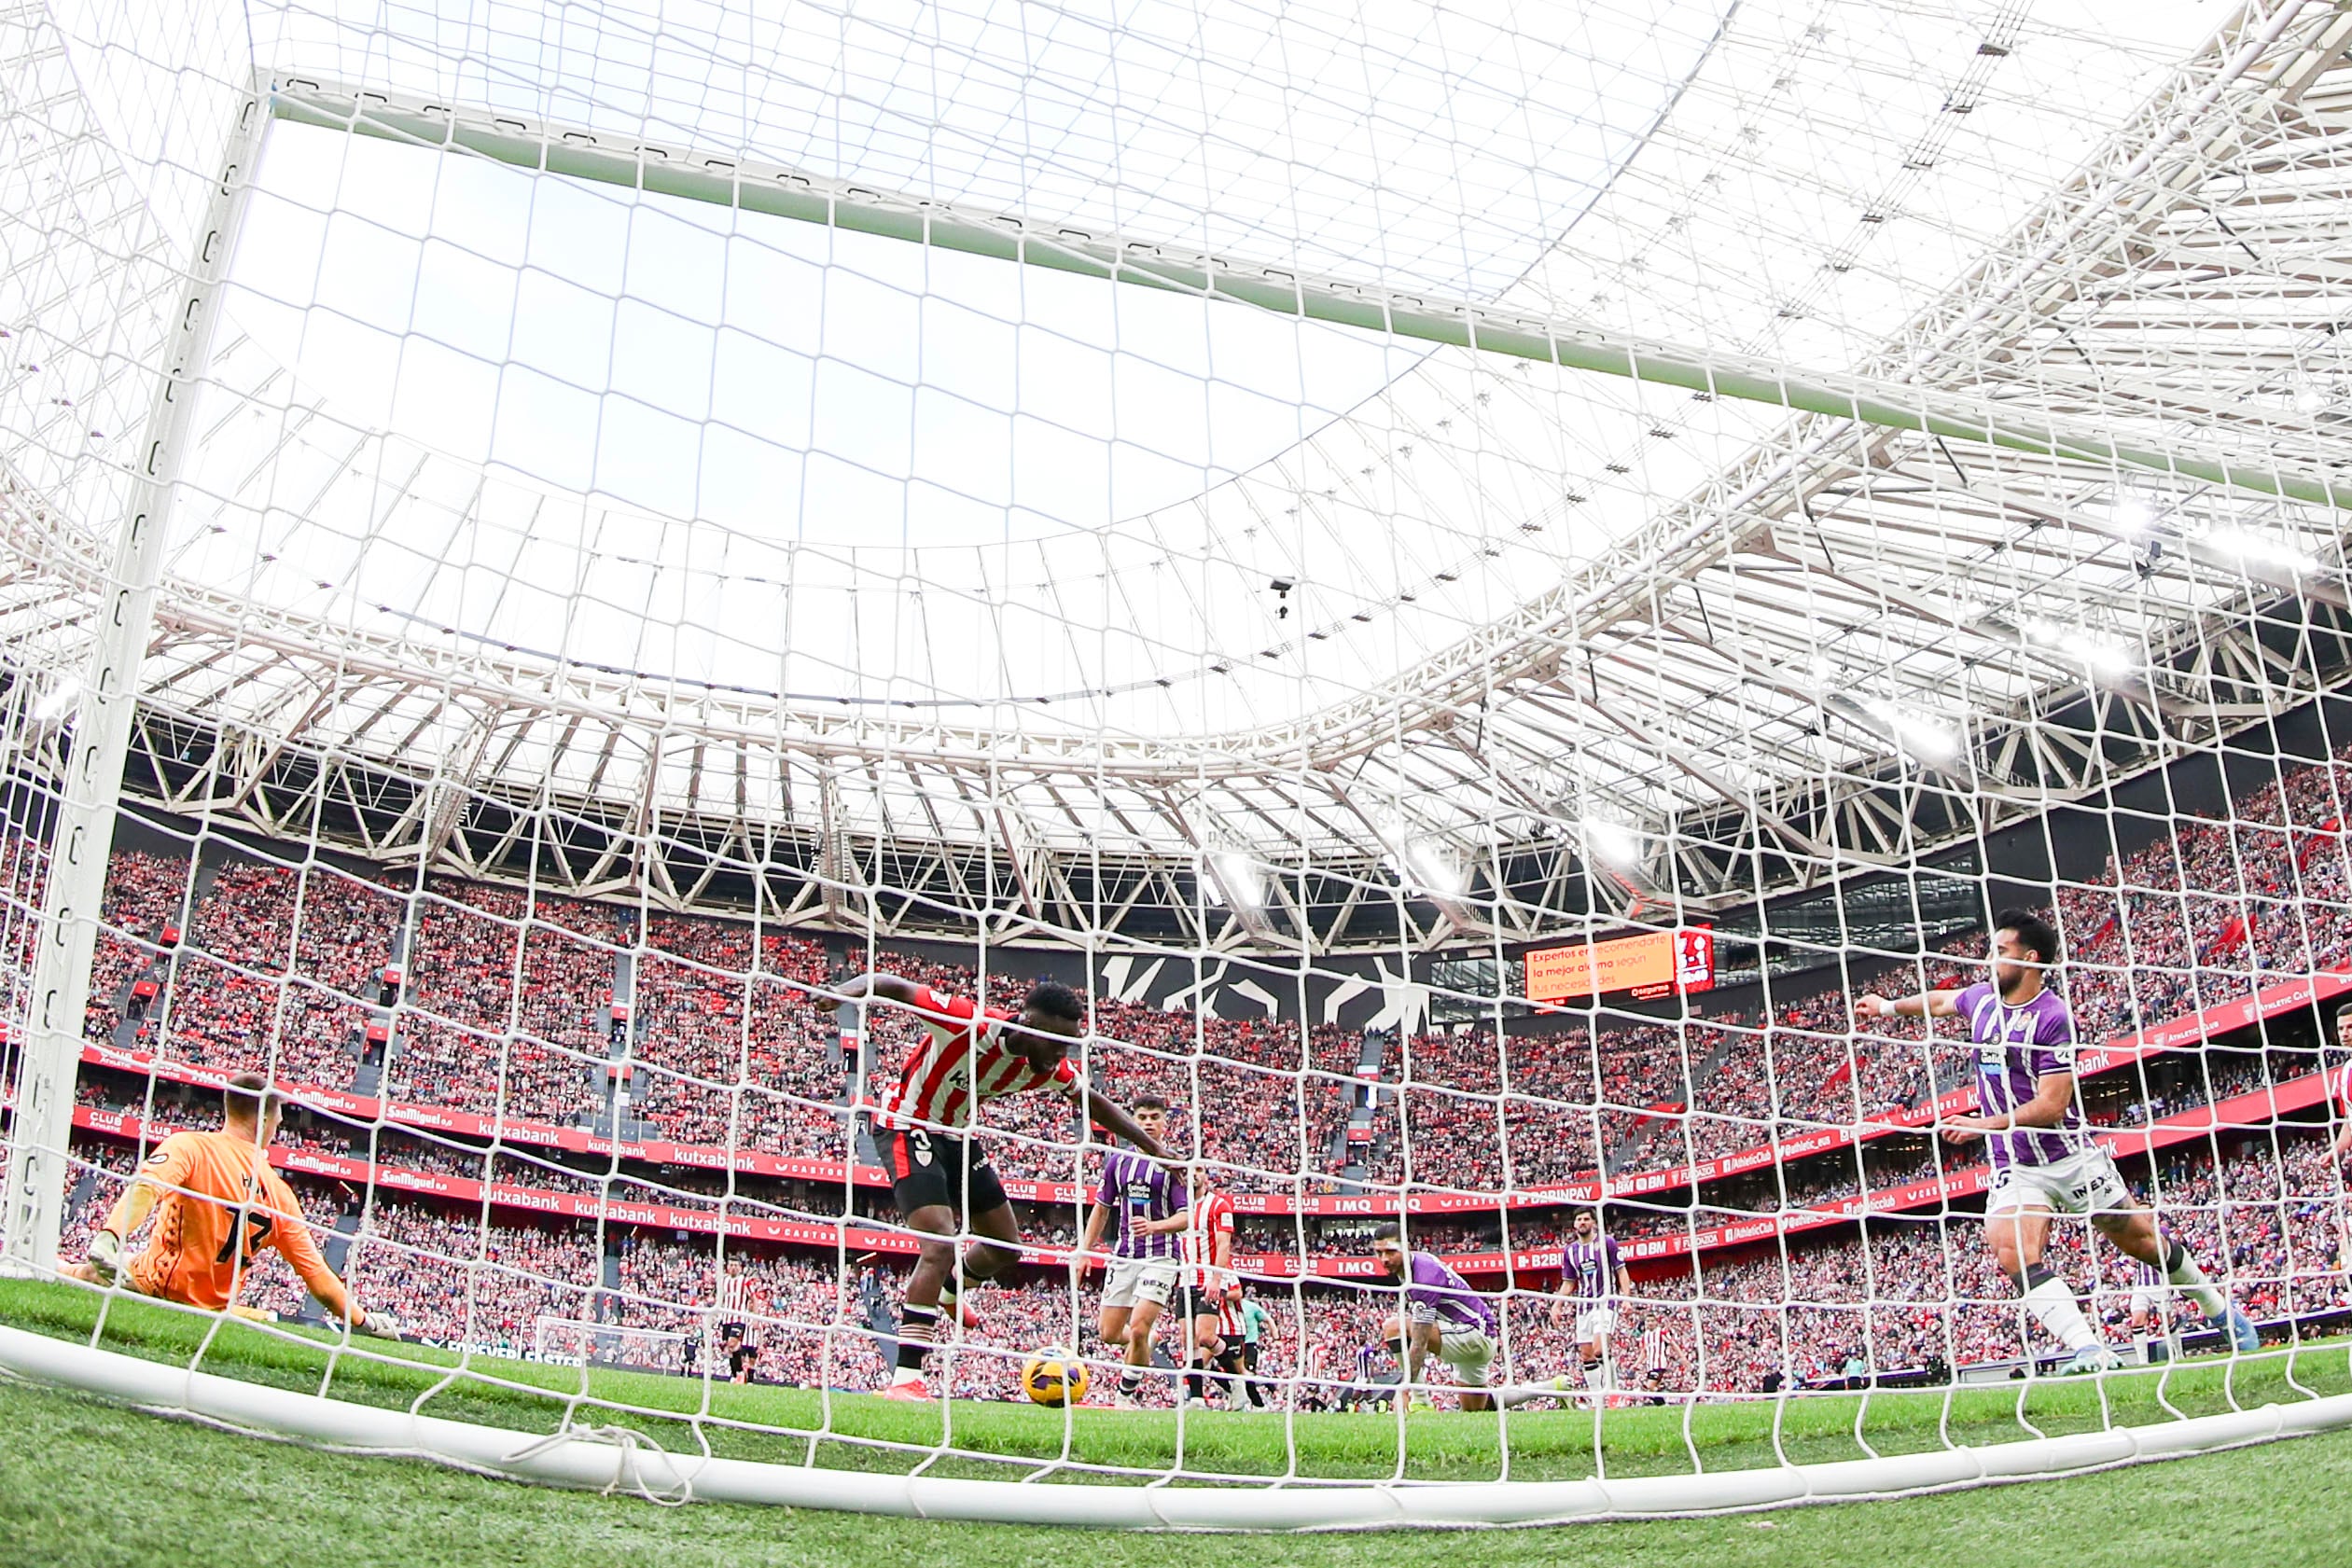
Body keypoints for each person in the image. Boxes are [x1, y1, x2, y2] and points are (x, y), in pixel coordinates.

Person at [1857, 908, 2260, 1375]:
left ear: (2029, 959)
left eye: (2001, 951)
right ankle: (2089, 1351)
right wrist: (1885, 1007)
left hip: (2069, 1158)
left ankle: (2220, 1313)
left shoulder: (2053, 1019)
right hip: (2016, 1164)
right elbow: (1939, 1001)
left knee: (2143, 1242)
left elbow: (2051, 1106)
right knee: (2011, 1249)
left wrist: (1983, 1125)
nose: (1991, 960)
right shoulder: (1982, 999)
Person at [841, 971, 1169, 1400]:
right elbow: (894, 986)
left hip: (955, 1134)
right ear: (1028, 1025)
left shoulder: (1051, 1068)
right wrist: (842, 992)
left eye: (1068, 1044)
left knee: (1005, 1246)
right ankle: (906, 1379)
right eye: (1055, 1042)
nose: (1059, 1055)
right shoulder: (967, 1023)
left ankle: (949, 1292)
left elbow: (1095, 1102)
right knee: (939, 1241)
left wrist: (1157, 1152)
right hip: (906, 1123)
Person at [63, 1072, 395, 1337]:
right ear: (264, 1120)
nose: (277, 1129)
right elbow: (317, 1277)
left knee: (87, 1273)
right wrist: (365, 1321)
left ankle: (37, 1262)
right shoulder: (279, 1194)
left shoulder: (191, 1146)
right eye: (278, 1122)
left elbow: (149, 1187)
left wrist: (110, 1236)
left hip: (157, 1289)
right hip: (212, 1313)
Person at [1075, 1095, 1186, 1408]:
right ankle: (1146, 1344)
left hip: (1161, 1256)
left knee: (1138, 1326)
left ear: (1165, 1123)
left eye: (1154, 1117)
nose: (1148, 1122)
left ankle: (1125, 1397)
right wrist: (1084, 1251)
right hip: (1124, 1256)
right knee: (1109, 1333)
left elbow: (1187, 1217)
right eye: (1141, 1117)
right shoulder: (1117, 1161)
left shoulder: (1173, 1165)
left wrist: (1156, 1227)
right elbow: (1102, 1208)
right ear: (1132, 1122)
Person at [1369, 1222, 1497, 1411]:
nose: (1384, 1259)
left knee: (1394, 1327)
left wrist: (1405, 1388)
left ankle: (1420, 1400)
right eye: (1379, 1253)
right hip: (1479, 1337)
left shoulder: (1422, 1277)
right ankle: (1552, 1387)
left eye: (1390, 1252)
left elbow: (1419, 1342)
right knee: (1476, 1413)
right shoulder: (1417, 1263)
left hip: (1472, 1335)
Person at [1166, 1169, 1238, 1407]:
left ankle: (1236, 1383)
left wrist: (1217, 1280)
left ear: (1206, 1175)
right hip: (1185, 1280)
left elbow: (1223, 1243)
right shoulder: (1178, 1207)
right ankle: (1197, 1398)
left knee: (1205, 1336)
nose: (1193, 1175)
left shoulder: (1219, 1205)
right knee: (1188, 1340)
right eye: (1188, 1171)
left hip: (1209, 1278)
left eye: (1198, 1170)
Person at [1550, 1208, 1632, 1398]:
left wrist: (1626, 1297)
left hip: (1605, 1304)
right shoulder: (1571, 1251)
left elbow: (1621, 1271)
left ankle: (1613, 1392)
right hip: (1583, 1308)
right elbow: (1569, 1283)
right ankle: (1597, 1399)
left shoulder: (1607, 1242)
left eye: (1587, 1219)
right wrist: (1557, 1305)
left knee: (1600, 1349)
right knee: (1587, 1355)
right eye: (1579, 1219)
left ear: (1594, 1223)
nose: (1582, 1222)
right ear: (1574, 1225)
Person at [1231, 1288, 1275, 1408]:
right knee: (1235, 1374)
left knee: (1247, 1376)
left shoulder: (1251, 1307)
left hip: (1249, 1345)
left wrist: (1276, 1337)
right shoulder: (1227, 1307)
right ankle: (1263, 1383)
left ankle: (1258, 1405)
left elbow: (1268, 1319)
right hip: (1234, 1343)